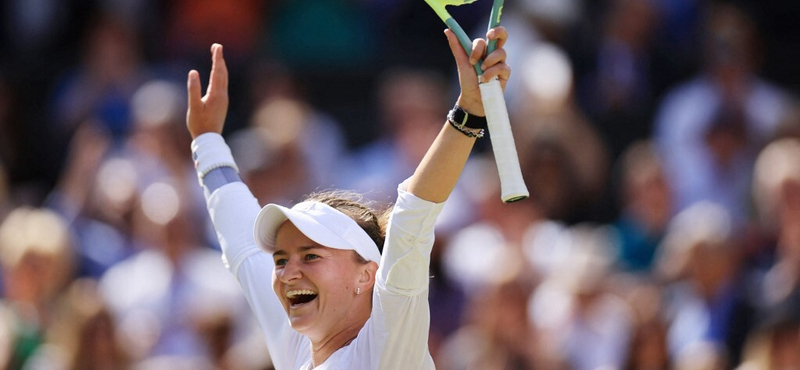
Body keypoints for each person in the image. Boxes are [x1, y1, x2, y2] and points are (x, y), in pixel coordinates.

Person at [185, 26, 511, 370]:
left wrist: (470, 111)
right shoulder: (296, 344)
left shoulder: (387, 348)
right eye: (281, 260)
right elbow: (242, 244)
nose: (287, 273)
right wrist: (206, 140)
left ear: (366, 275)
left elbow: (411, 219)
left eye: (310, 256)